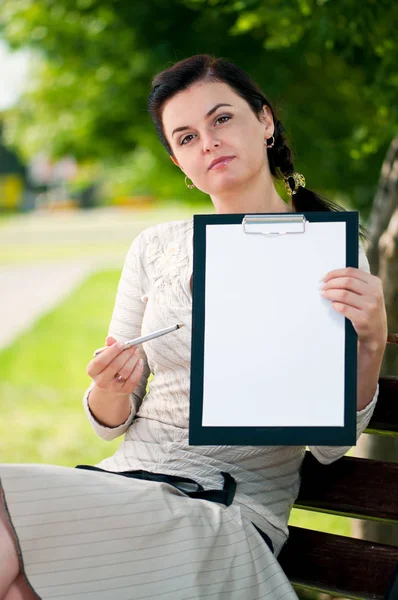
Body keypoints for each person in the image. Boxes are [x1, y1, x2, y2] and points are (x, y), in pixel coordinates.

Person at [0, 54, 388, 600]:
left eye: (221, 119)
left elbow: (327, 447)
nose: (208, 142)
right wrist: (108, 387)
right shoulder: (155, 247)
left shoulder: (327, 249)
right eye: (185, 137)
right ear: (179, 162)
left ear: (266, 121)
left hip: (225, 507)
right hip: (126, 479)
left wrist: (369, 342)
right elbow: (111, 422)